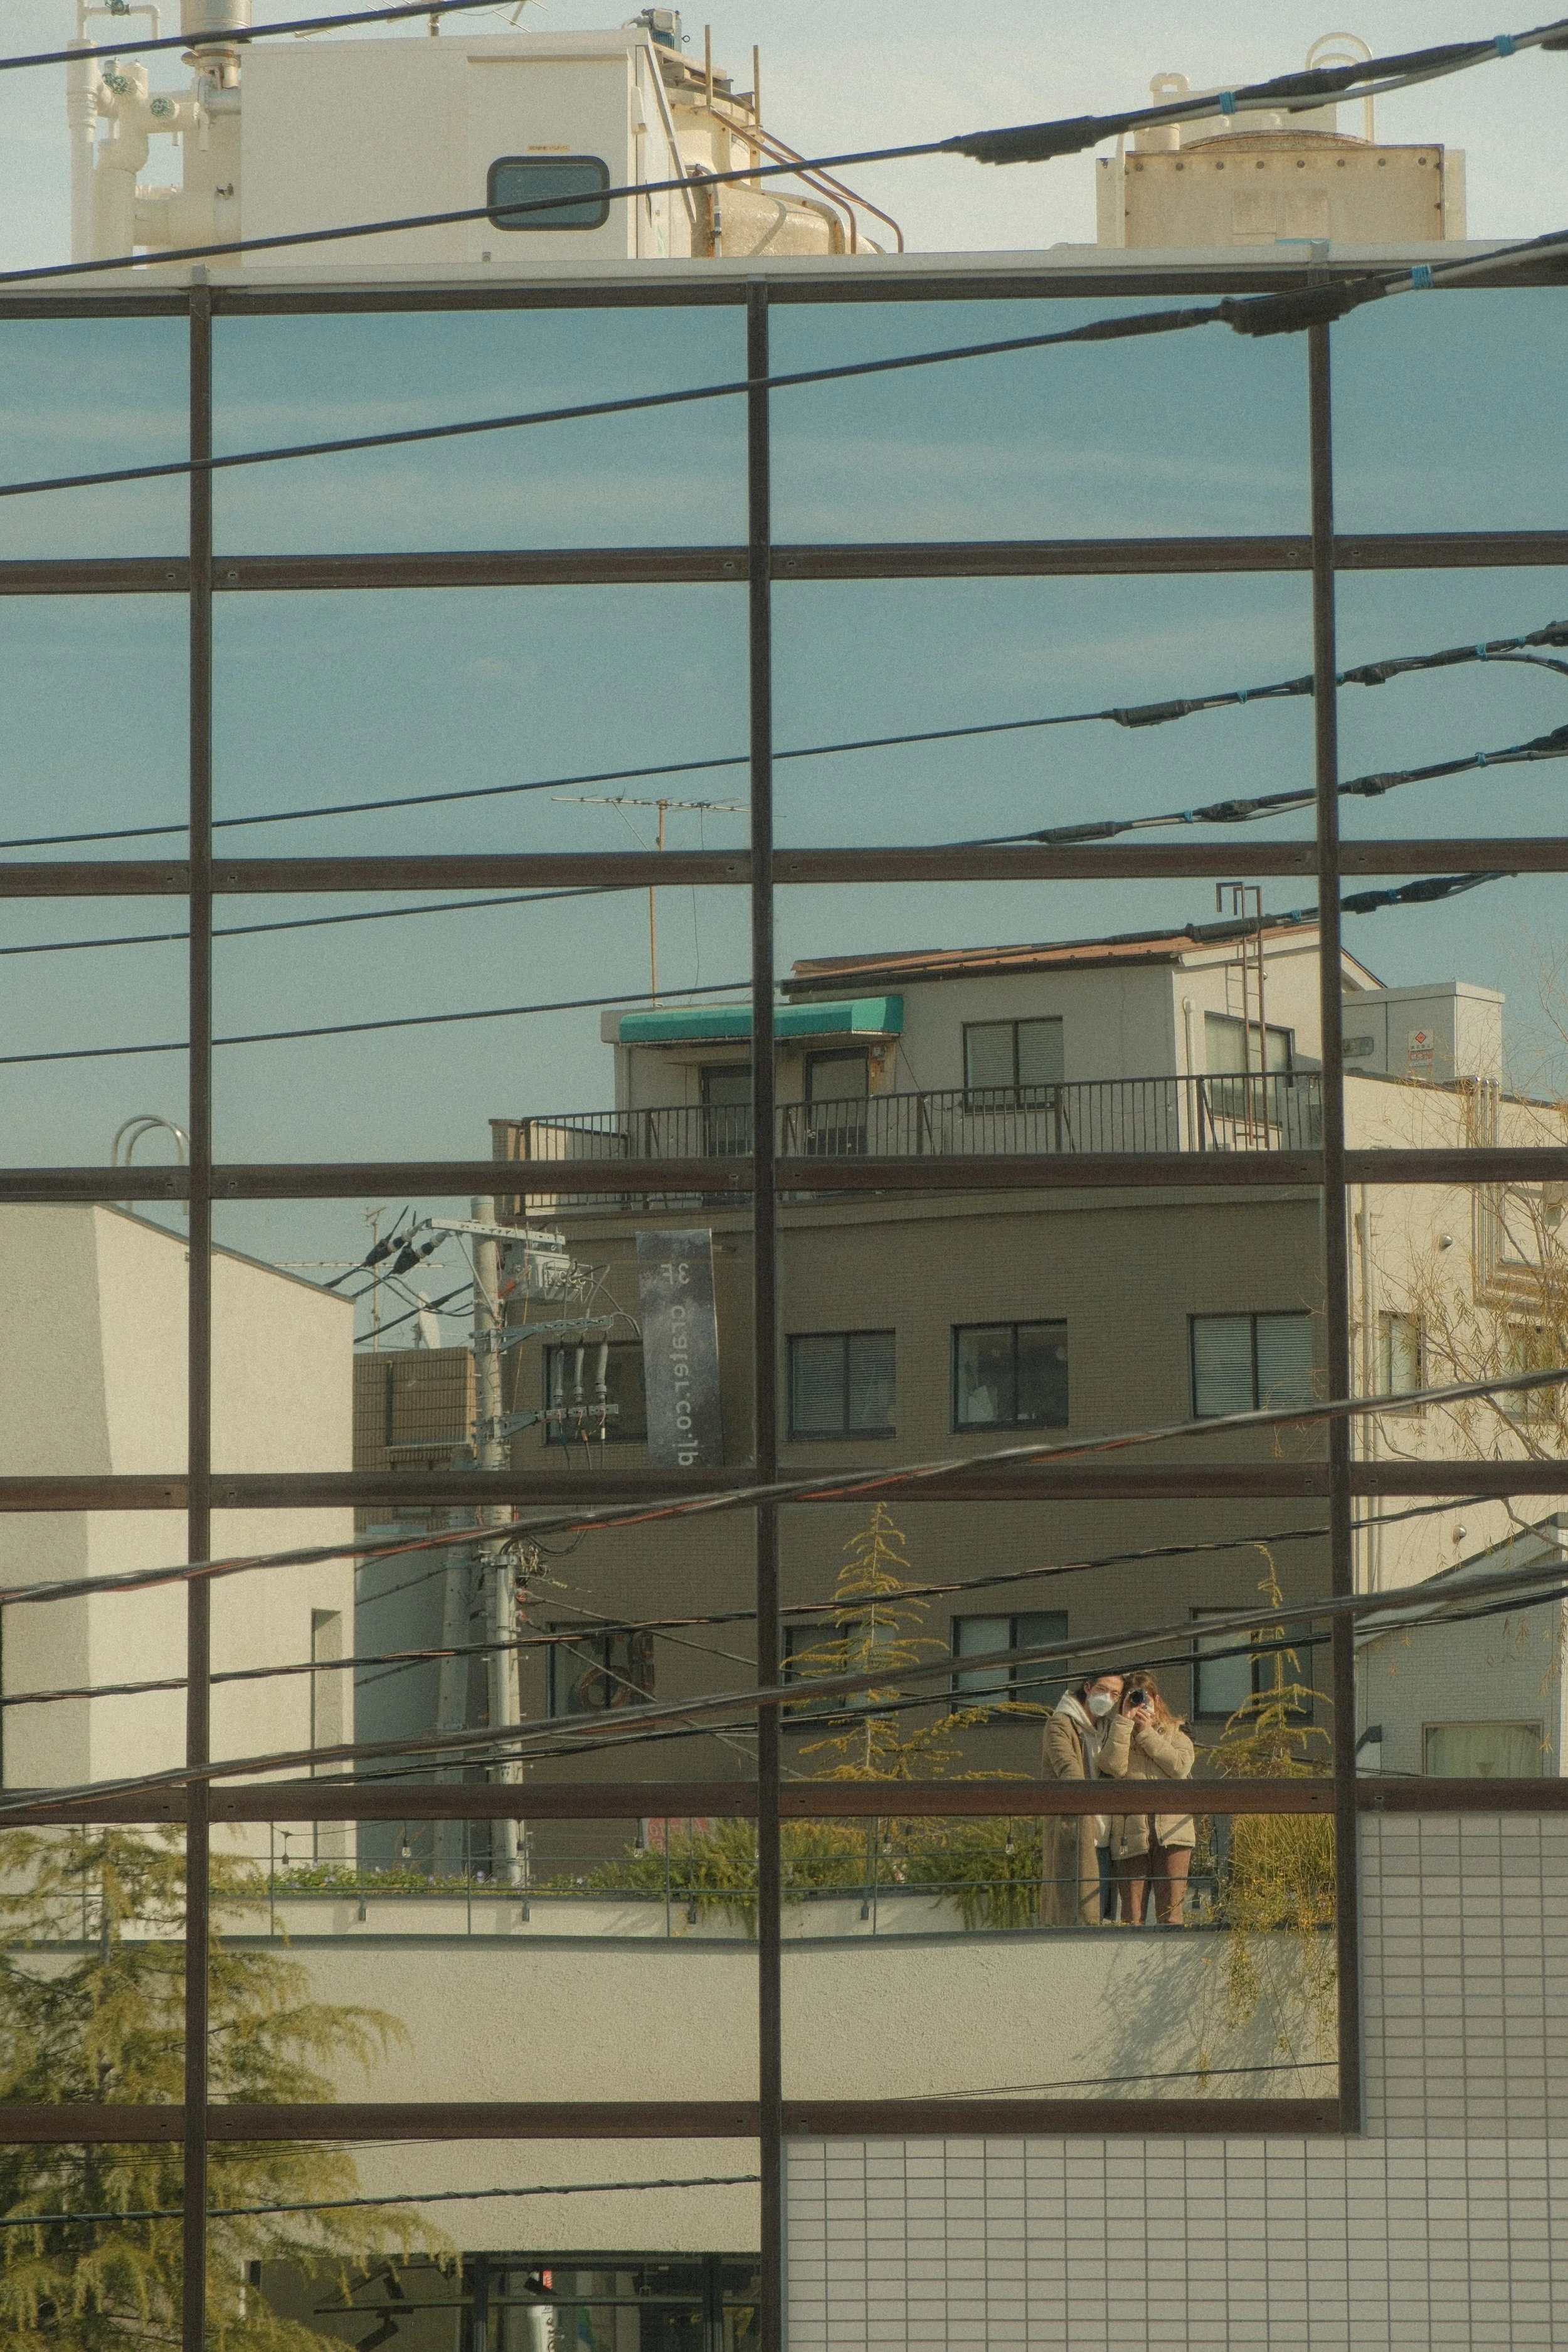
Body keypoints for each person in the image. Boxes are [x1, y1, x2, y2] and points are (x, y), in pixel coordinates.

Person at [1107, 1668, 1197, 1926]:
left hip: (1173, 1834)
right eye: (1133, 1699)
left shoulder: (1176, 1734)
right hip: (1130, 1834)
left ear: (1157, 1701)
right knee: (1131, 1918)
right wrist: (1125, 1722)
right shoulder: (1118, 1734)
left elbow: (1180, 1767)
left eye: (1144, 1698)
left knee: (1171, 1916)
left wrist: (1147, 1733)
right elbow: (1113, 1767)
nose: (1140, 1705)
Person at [1041, 1671, 1131, 1924]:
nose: (1108, 1698)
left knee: (1102, 1920)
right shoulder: (1061, 1724)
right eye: (1103, 1689)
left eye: (1115, 1694)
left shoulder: (1105, 1728)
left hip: (1107, 1839)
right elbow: (1069, 1772)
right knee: (1077, 1920)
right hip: (1078, 1835)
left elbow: (1119, 1769)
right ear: (1088, 1688)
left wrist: (1128, 1719)